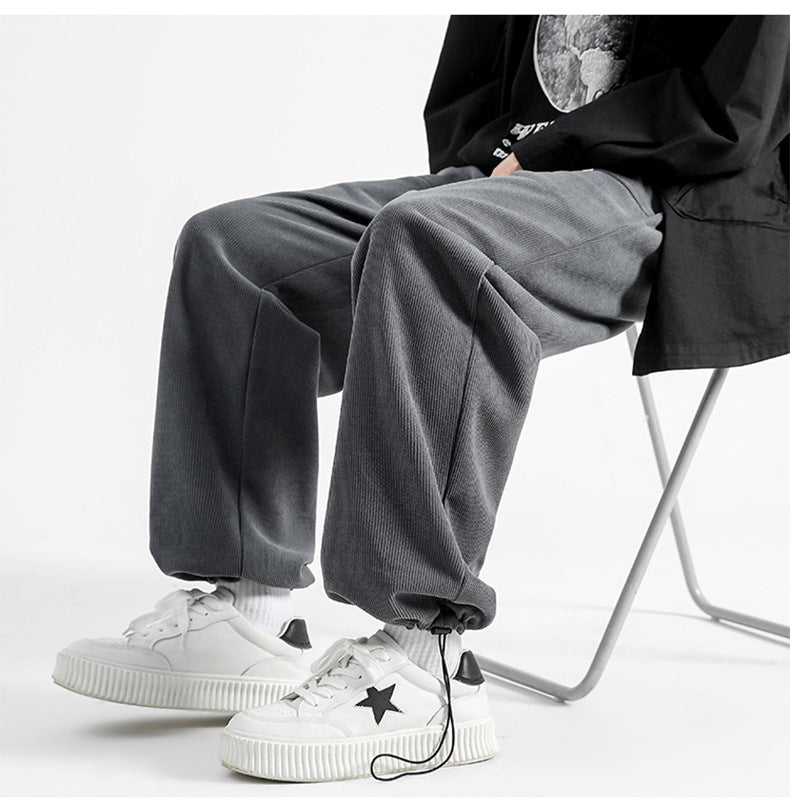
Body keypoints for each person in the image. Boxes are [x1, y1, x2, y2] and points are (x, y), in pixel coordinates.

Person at [52, 15, 789, 782]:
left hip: (676, 186)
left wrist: (544, 152)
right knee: (234, 249)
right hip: (517, 173)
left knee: (429, 241)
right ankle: (248, 612)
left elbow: (736, 107)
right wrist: (499, 158)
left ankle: (426, 663)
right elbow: (472, 80)